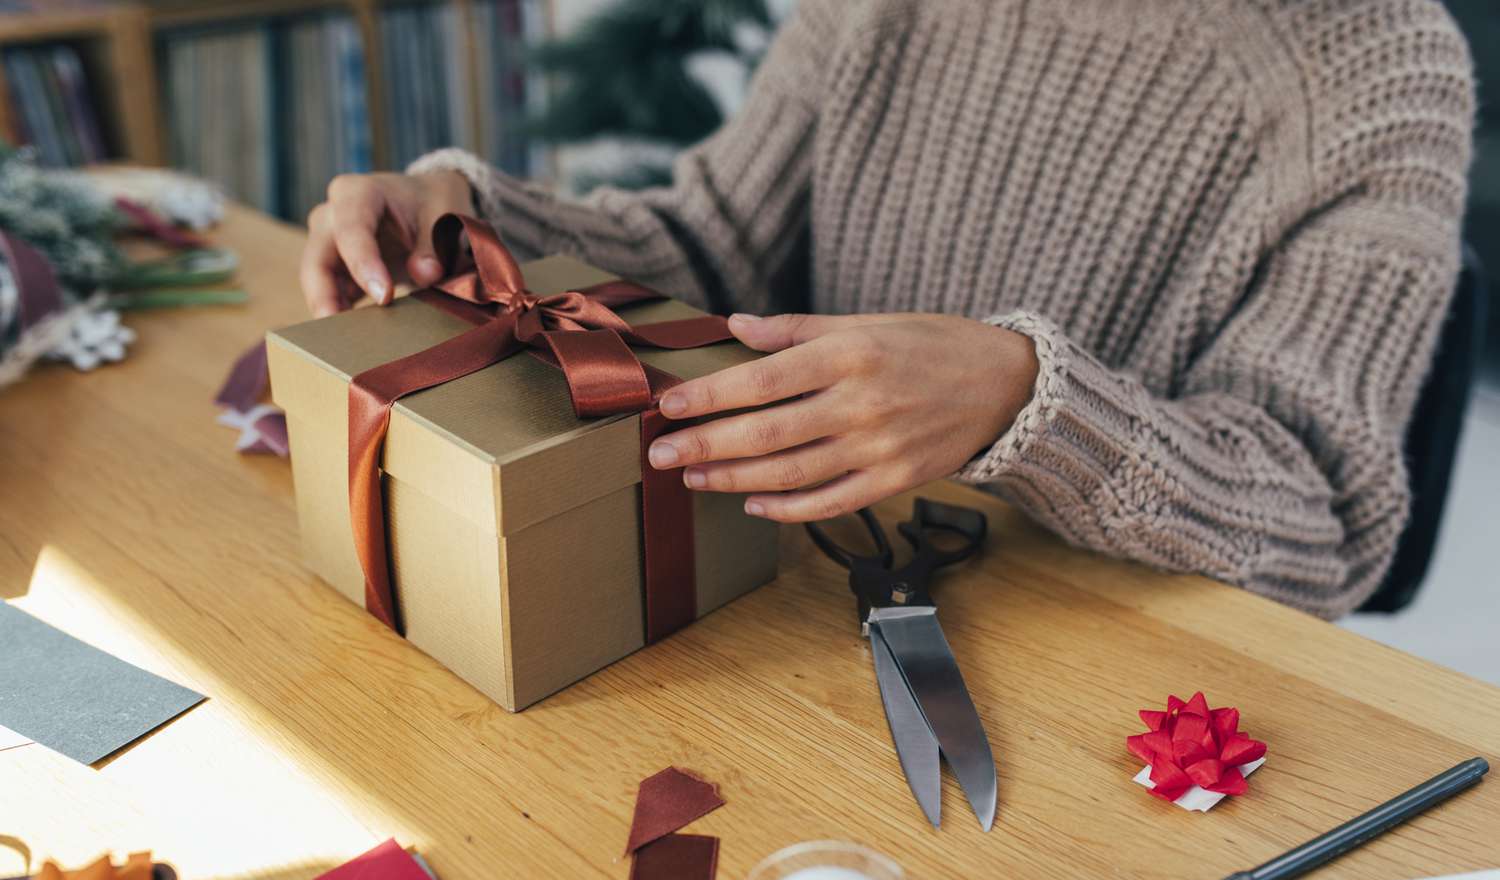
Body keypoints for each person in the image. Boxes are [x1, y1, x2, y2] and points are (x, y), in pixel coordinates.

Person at [300, 0, 1475, 620]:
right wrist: (476, 217)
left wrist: (1028, 401)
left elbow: (1324, 528)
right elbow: (713, 246)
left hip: (1116, 663)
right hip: (810, 595)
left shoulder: (1374, 69)